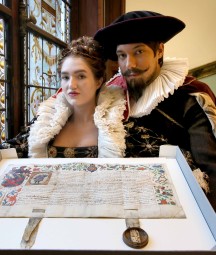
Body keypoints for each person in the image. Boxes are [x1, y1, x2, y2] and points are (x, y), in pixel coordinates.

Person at [94, 11, 216, 209]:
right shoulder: (110, 95)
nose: (129, 65)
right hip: (116, 201)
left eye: (139, 52)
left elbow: (211, 170)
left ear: (159, 51)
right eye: (122, 55)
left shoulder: (190, 97)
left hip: (180, 206)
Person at [0, 36, 126, 158]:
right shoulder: (45, 122)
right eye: (65, 77)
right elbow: (8, 151)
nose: (71, 85)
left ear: (98, 81)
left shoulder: (117, 128)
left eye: (81, 76)